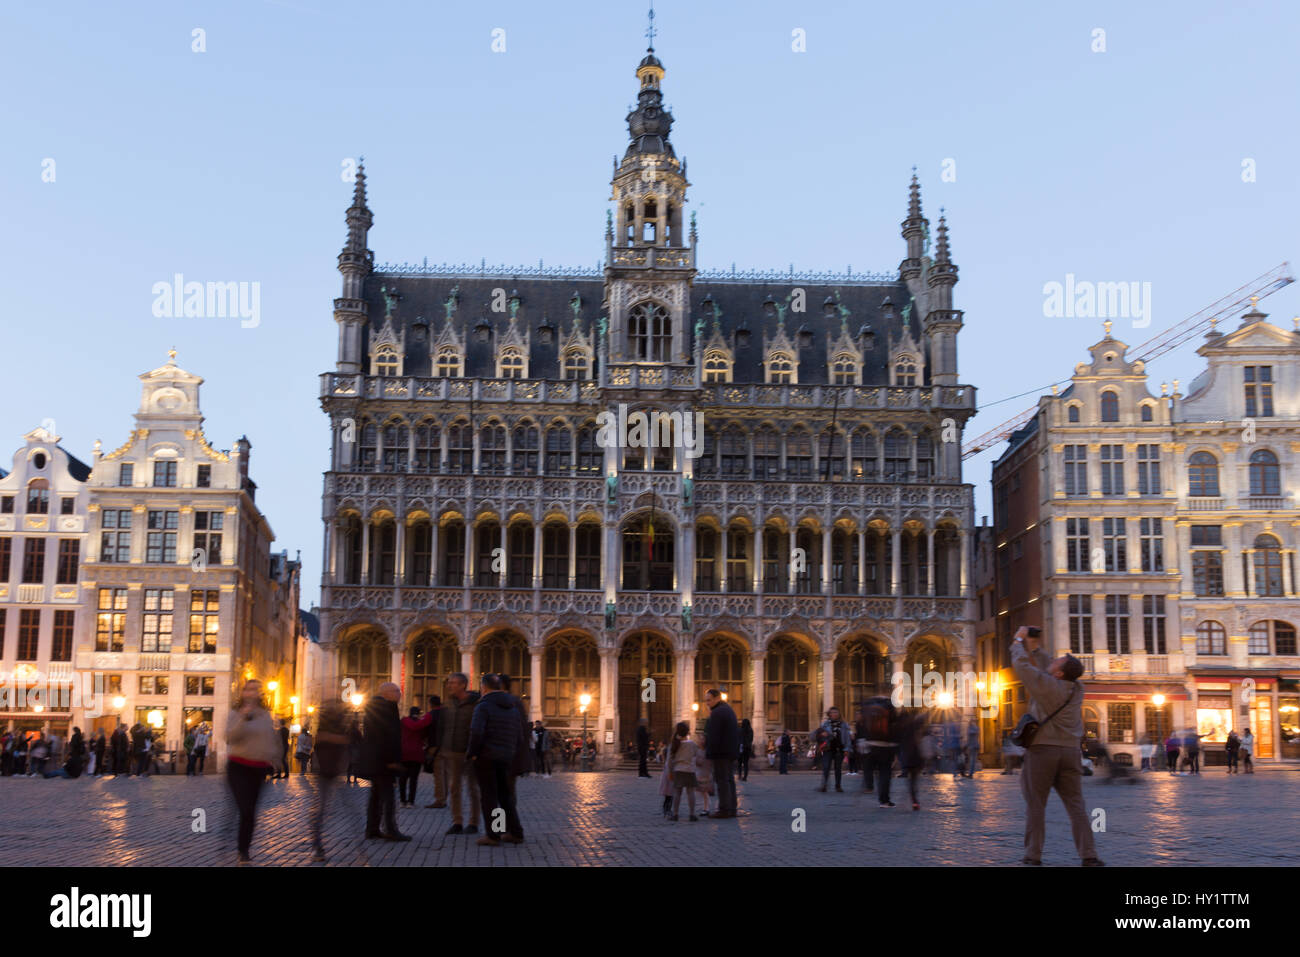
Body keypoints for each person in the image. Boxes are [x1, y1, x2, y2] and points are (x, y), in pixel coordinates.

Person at [1011, 625, 1103, 866]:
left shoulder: (1046, 686)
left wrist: (1018, 640)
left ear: (1059, 674)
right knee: (1076, 805)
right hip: (1070, 752)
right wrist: (1037, 648)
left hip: (1043, 751)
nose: (1052, 662)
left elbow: (1022, 666)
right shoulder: (1077, 689)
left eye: (1057, 663)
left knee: (1036, 805)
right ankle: (1089, 855)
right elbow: (1050, 666)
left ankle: (1033, 855)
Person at [467, 673, 528, 846]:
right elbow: (519, 735)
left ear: (484, 687)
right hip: (506, 757)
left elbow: (476, 732)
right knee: (505, 797)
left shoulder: (483, 706)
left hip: (486, 757)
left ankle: (493, 834)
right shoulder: (512, 706)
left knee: (489, 797)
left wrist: (472, 753)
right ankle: (515, 832)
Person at [225, 679, 280, 864]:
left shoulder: (265, 715)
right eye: (248, 689)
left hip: (258, 768)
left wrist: (273, 757)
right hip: (238, 767)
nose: (251, 693)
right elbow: (230, 737)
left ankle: (244, 848)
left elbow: (269, 738)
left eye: (255, 690)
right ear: (242, 692)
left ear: (260, 694)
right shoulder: (235, 713)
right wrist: (243, 717)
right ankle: (242, 849)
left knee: (250, 812)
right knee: (245, 809)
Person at [361, 682, 409, 841]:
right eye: (396, 691)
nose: (399, 694)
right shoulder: (386, 708)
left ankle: (372, 829)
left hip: (375, 759)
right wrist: (391, 760)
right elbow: (387, 736)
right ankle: (390, 829)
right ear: (386, 693)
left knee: (376, 796)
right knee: (388, 796)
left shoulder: (374, 707)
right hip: (383, 761)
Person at [437, 673, 481, 835]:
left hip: (470, 752)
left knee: (473, 788)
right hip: (451, 750)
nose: (449, 686)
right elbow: (442, 726)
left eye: (453, 683)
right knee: (454, 787)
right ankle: (457, 821)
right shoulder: (448, 703)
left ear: (463, 685)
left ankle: (474, 822)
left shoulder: (476, 703)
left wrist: (476, 750)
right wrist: (440, 747)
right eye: (449, 683)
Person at [309, 698, 350, 862]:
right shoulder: (327, 725)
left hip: (334, 769)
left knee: (325, 808)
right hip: (326, 771)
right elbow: (321, 740)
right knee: (321, 808)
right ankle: (317, 845)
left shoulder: (340, 724)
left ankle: (317, 845)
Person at [703, 689, 739, 818]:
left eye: (709, 700)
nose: (707, 703)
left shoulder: (717, 713)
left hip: (721, 753)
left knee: (722, 780)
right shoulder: (727, 709)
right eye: (706, 700)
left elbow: (714, 736)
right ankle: (732, 808)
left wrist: (709, 753)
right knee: (729, 780)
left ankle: (724, 809)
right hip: (729, 751)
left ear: (717, 698)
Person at [860, 696, 899, 806]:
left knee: (870, 770)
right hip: (885, 746)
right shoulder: (889, 706)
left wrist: (863, 740)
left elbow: (861, 725)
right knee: (885, 773)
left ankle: (869, 787)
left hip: (869, 744)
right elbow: (895, 726)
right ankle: (884, 800)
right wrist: (895, 745)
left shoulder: (867, 706)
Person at [399, 706, 434, 807]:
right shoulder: (421, 724)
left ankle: (402, 801)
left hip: (404, 752)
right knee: (413, 780)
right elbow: (424, 737)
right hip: (417, 753)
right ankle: (411, 801)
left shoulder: (403, 721)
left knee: (403, 779)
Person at [667, 721, 700, 821]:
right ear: (687, 732)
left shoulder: (674, 744)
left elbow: (669, 760)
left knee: (677, 793)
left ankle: (676, 814)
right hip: (690, 770)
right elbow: (696, 755)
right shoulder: (692, 744)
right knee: (691, 793)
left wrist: (670, 772)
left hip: (678, 770)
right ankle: (692, 814)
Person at [897, 708, 928, 810]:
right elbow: (923, 720)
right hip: (915, 755)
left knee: (910, 780)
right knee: (914, 779)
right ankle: (915, 800)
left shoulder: (901, 727)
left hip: (906, 756)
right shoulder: (915, 724)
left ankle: (914, 800)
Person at [816, 708, 852, 793]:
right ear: (829, 714)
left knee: (838, 768)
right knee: (826, 767)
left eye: (836, 712)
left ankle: (838, 786)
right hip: (828, 748)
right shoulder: (825, 724)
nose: (834, 714)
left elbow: (847, 738)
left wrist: (847, 749)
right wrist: (822, 734)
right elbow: (819, 735)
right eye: (832, 712)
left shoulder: (844, 725)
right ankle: (824, 785)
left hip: (839, 749)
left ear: (839, 713)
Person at [423, 695, 447, 807]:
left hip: (435, 747)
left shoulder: (430, 715)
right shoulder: (446, 714)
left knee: (438, 775)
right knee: (446, 774)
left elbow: (423, 728)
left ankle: (440, 799)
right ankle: (444, 797)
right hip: (447, 747)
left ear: (431, 704)